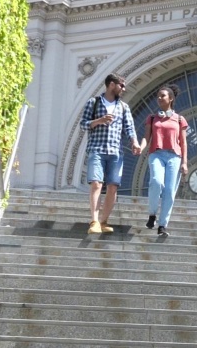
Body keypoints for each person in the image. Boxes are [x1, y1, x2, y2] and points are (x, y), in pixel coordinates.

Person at [79, 74, 144, 234]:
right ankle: (94, 220)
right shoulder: (93, 102)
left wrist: (134, 142)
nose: (124, 88)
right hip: (97, 149)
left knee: (112, 187)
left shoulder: (123, 107)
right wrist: (99, 121)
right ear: (111, 85)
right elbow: (83, 124)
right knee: (96, 184)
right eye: (121, 85)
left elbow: (129, 128)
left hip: (116, 151)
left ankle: (103, 221)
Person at [143, 83, 189, 237]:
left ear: (170, 99)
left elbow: (183, 142)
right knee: (156, 181)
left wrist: (184, 162)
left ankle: (162, 225)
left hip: (174, 156)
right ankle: (152, 214)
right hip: (156, 154)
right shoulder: (152, 118)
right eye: (158, 96)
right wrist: (140, 147)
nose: (159, 98)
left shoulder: (180, 119)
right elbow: (147, 138)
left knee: (169, 191)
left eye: (162, 96)